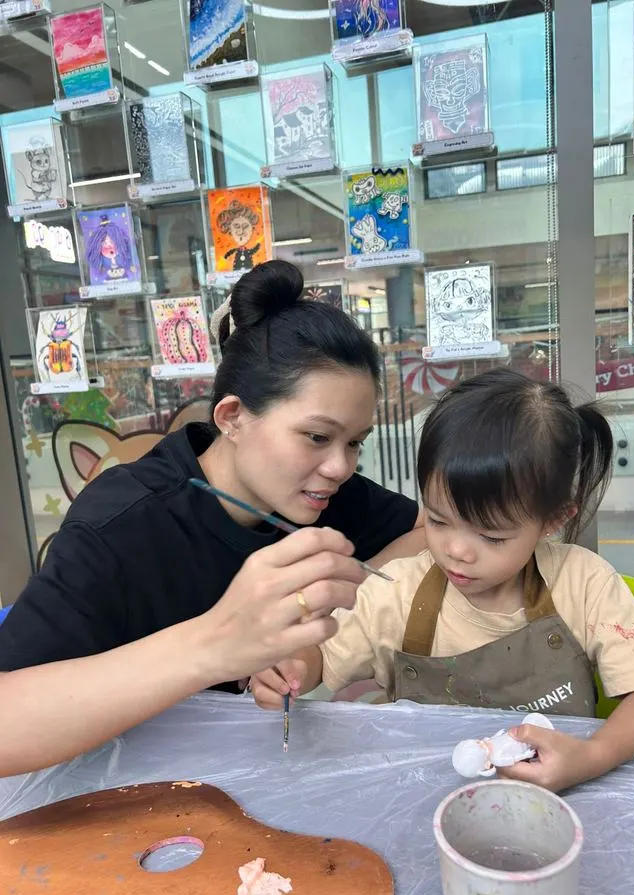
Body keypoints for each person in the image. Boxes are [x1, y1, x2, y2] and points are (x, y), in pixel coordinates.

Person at [0, 260, 424, 778]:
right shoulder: (124, 521)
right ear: (232, 417)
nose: (340, 466)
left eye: (355, 442)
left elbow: (428, 532)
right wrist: (220, 643)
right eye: (317, 437)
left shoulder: (325, 494)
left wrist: (335, 601)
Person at [252, 369, 634, 792]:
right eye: (439, 521)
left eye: (491, 535)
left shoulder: (582, 582)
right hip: (419, 793)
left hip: (554, 795)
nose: (457, 551)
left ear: (552, 520)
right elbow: (319, 659)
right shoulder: (397, 590)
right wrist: (291, 668)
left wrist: (591, 757)